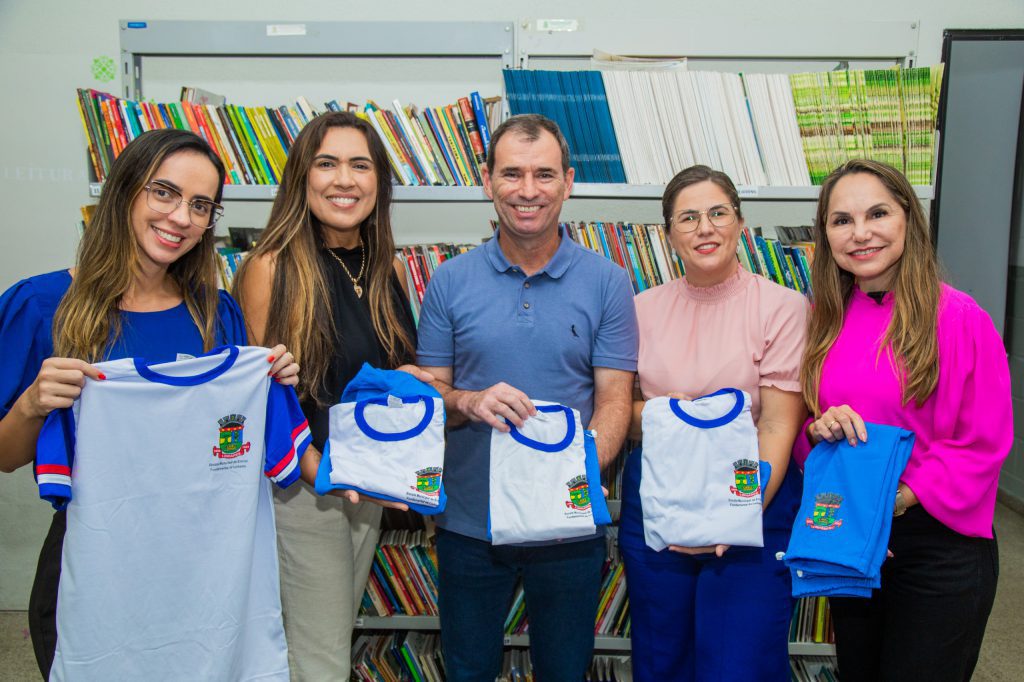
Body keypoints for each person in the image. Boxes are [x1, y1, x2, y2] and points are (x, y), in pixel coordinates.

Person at [0, 128, 300, 678]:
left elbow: (233, 442)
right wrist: (30, 406)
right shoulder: (41, 305)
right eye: (164, 193)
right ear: (124, 191)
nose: (181, 217)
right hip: (93, 561)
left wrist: (269, 384)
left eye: (200, 205)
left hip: (204, 559)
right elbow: (4, 456)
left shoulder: (217, 312)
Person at [415, 113, 638, 681]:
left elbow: (614, 401)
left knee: (564, 670)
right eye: (512, 174)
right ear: (487, 181)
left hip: (567, 526)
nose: (528, 191)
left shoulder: (609, 282)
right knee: (468, 670)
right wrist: (466, 401)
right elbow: (430, 397)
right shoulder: (448, 281)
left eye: (544, 174)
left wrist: (577, 477)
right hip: (470, 526)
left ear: (568, 181)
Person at [798, 158, 1010, 681]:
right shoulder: (821, 318)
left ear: (908, 219)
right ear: (825, 234)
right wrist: (817, 430)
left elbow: (982, 443)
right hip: (854, 539)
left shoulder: (961, 318)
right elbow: (807, 438)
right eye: (841, 220)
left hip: (938, 546)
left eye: (877, 213)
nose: (860, 233)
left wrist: (895, 500)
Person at [233, 110, 425, 681]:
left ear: (379, 182)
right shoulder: (270, 266)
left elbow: (386, 372)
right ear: (301, 177)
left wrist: (420, 381)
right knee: (318, 660)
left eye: (360, 165)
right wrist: (318, 469)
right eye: (327, 163)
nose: (345, 179)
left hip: (364, 480)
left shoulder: (385, 262)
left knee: (330, 637)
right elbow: (260, 395)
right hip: (303, 485)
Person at [619, 164, 809, 681]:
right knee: (662, 659)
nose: (705, 228)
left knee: (738, 664)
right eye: (688, 218)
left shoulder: (784, 308)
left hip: (754, 498)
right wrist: (679, 420)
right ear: (668, 235)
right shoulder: (638, 310)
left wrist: (732, 516)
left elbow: (775, 426)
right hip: (659, 499)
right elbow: (621, 411)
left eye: (718, 213)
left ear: (740, 224)